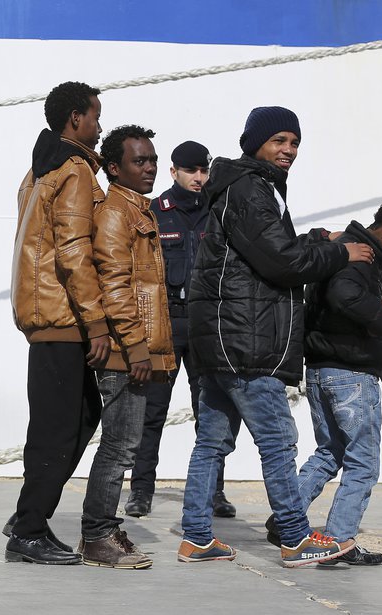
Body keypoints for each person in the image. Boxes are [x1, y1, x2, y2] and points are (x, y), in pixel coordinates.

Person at [177, 106, 375, 567]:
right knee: (278, 440)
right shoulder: (250, 188)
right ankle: (294, 537)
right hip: (249, 341)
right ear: (255, 143)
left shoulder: (246, 187)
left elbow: (264, 251)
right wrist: (338, 252)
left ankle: (196, 537)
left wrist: (311, 239)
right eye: (279, 141)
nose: (289, 150)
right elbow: (282, 264)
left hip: (223, 339)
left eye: (295, 142)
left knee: (212, 442)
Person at [266, 197, 382, 566]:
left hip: (323, 369)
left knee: (331, 452)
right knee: (363, 462)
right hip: (351, 373)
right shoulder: (360, 255)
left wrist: (371, 301)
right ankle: (337, 540)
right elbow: (344, 295)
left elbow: (336, 296)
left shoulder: (342, 248)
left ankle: (285, 520)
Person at [5, 81, 109, 566]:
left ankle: (28, 512)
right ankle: (28, 529)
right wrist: (99, 325)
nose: (100, 126)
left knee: (80, 417)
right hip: (62, 320)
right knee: (57, 430)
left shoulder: (37, 169)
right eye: (94, 117)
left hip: (45, 316)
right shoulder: (73, 173)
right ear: (75, 119)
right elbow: (73, 254)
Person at [80, 125, 175, 569]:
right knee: (120, 445)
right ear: (114, 167)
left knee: (125, 443)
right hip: (123, 349)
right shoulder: (117, 210)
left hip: (134, 346)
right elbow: (115, 284)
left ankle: (105, 529)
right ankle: (97, 536)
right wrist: (137, 347)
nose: (150, 167)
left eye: (153, 159)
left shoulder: (138, 208)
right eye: (140, 161)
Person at [125, 140, 236, 519]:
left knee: (210, 412)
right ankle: (140, 491)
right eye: (191, 171)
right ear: (174, 172)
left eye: (203, 171)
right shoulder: (155, 212)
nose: (199, 178)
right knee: (152, 412)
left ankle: (213, 491)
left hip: (207, 326)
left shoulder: (218, 211)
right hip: (166, 324)